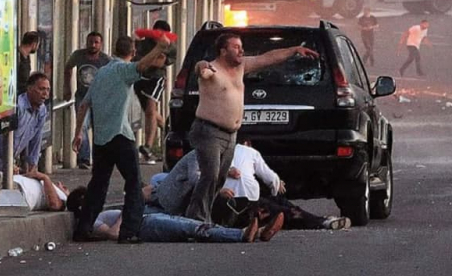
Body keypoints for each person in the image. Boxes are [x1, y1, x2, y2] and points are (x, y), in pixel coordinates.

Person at [185, 33, 319, 223]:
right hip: (208, 131)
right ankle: (196, 219)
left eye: (241, 47)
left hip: (230, 134)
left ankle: (206, 216)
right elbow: (201, 69)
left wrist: (294, 50)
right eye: (236, 47)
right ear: (223, 51)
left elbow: (268, 58)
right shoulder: (212, 69)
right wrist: (201, 66)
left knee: (220, 177)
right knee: (210, 175)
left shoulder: (240, 67)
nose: (241, 50)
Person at [71, 35, 170, 243]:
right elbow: (142, 66)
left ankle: (83, 229)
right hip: (120, 135)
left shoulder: (101, 73)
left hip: (100, 140)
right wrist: (159, 47)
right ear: (132, 52)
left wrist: (78, 133)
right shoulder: (122, 70)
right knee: (134, 184)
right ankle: (128, 232)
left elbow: (83, 105)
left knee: (98, 184)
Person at [213, 140, 350, 231]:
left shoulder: (210, 153)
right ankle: (322, 222)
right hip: (242, 203)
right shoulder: (250, 152)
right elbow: (271, 179)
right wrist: (277, 186)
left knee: (280, 203)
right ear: (246, 143)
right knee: (281, 208)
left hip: (231, 201)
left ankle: (321, 220)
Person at [89, 206, 282, 244]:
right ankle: (240, 235)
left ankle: (255, 233)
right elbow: (114, 234)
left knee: (199, 224)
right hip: (145, 226)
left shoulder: (101, 213)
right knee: (195, 230)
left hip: (150, 218)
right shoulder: (93, 221)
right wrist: (126, 212)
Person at [0, 72, 50, 177]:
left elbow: (36, 140)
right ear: (29, 88)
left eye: (47, 90)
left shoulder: (41, 110)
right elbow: (1, 140)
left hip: (8, 160)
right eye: (41, 89)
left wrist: (32, 165)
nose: (45, 93)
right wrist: (8, 164)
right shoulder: (17, 108)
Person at [64, 32, 110, 169]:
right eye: (90, 42)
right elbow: (68, 67)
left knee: (99, 128)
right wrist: (67, 87)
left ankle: (99, 157)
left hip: (99, 98)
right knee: (82, 125)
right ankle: (83, 158)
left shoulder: (105, 60)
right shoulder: (79, 55)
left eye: (96, 42)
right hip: (82, 96)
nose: (93, 45)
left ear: (101, 44)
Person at [133, 19, 171, 165]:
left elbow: (160, 62)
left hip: (156, 79)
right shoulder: (144, 43)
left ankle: (148, 146)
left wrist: (145, 60)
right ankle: (168, 130)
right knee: (152, 114)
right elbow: (136, 58)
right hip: (141, 79)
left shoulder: (167, 45)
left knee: (150, 108)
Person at [11, 171, 81, 212]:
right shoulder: (54, 190)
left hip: (21, 191)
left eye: (64, 187)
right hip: (15, 185)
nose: (59, 183)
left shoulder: (64, 198)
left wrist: (45, 178)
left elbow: (55, 204)